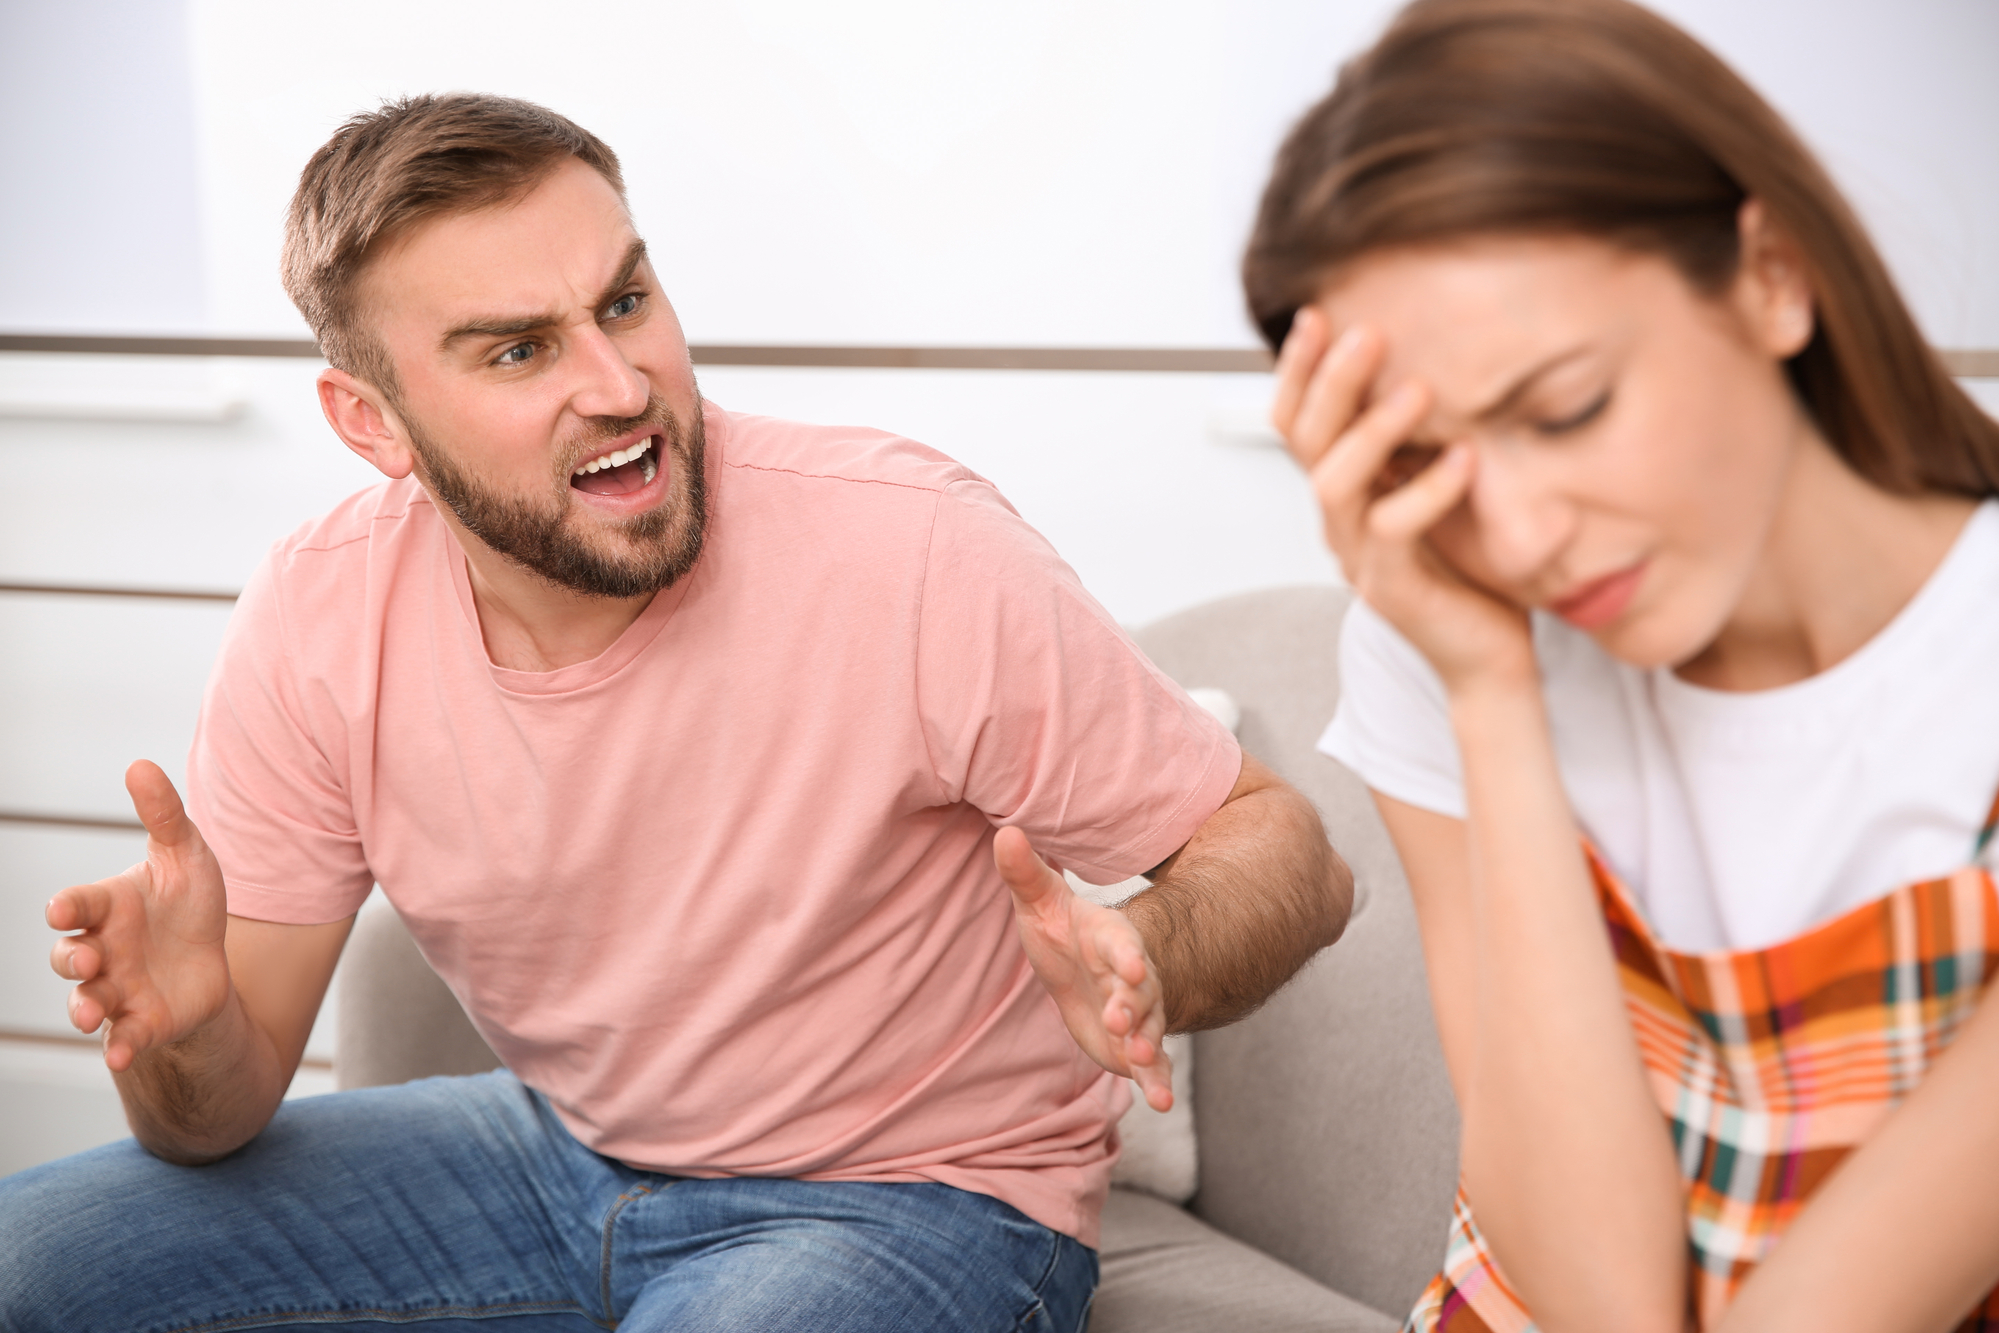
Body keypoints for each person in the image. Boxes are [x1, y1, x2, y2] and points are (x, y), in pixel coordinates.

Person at [0, 94, 1349, 1333]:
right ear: (374, 423)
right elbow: (209, 1119)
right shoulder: (318, 615)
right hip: (552, 1151)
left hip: (913, 1191)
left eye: (626, 300)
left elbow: (1283, 846)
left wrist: (1158, 949)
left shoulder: (911, 548)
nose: (619, 382)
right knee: (33, 1260)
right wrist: (183, 1039)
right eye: (520, 348)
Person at [1244, 0, 1999, 1329]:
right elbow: (1595, 1298)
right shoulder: (1443, 642)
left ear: (1771, 273)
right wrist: (1489, 692)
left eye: (1567, 408)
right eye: (1432, 462)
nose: (1525, 536)